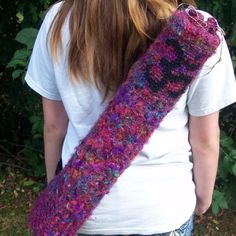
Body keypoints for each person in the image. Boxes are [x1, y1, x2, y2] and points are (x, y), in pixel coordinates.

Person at [25, 0, 236, 235]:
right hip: (162, 210)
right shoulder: (197, 31)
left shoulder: (60, 17)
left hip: (79, 209)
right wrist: (203, 198)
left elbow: (54, 127)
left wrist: (58, 190)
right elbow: (205, 140)